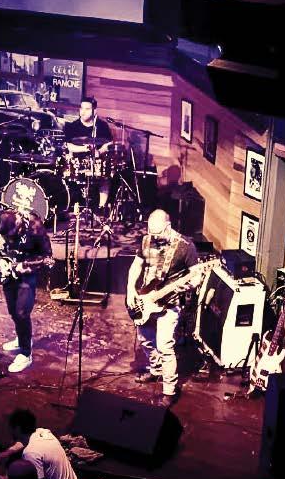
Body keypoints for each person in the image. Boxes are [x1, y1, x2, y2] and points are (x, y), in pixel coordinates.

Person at [126, 208, 200, 406]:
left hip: (170, 304)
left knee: (165, 346)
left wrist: (189, 285)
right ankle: (156, 369)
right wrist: (130, 290)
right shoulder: (146, 240)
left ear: (168, 226)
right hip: (147, 300)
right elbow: (136, 266)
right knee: (145, 340)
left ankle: (169, 390)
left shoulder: (185, 246)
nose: (154, 236)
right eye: (151, 232)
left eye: (157, 232)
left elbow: (196, 275)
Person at [0, 204, 53, 374]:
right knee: (13, 311)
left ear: (20, 223)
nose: (10, 240)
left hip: (28, 271)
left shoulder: (35, 226)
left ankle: (26, 354)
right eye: (7, 237)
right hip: (9, 269)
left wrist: (26, 266)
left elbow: (48, 257)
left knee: (22, 312)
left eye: (14, 236)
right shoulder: (0, 219)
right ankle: (22, 338)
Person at [0, 409, 81, 479]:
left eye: (11, 428)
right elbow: (23, 442)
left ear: (17, 429)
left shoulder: (30, 453)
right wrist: (8, 452)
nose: (9, 431)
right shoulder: (44, 432)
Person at [62, 96, 114, 214]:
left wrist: (99, 151)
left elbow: (109, 143)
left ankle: (101, 208)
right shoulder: (72, 126)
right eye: (81, 108)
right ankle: (73, 207)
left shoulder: (102, 126)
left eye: (87, 109)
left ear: (94, 111)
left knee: (105, 177)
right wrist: (85, 148)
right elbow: (69, 146)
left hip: (96, 160)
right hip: (77, 161)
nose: (83, 112)